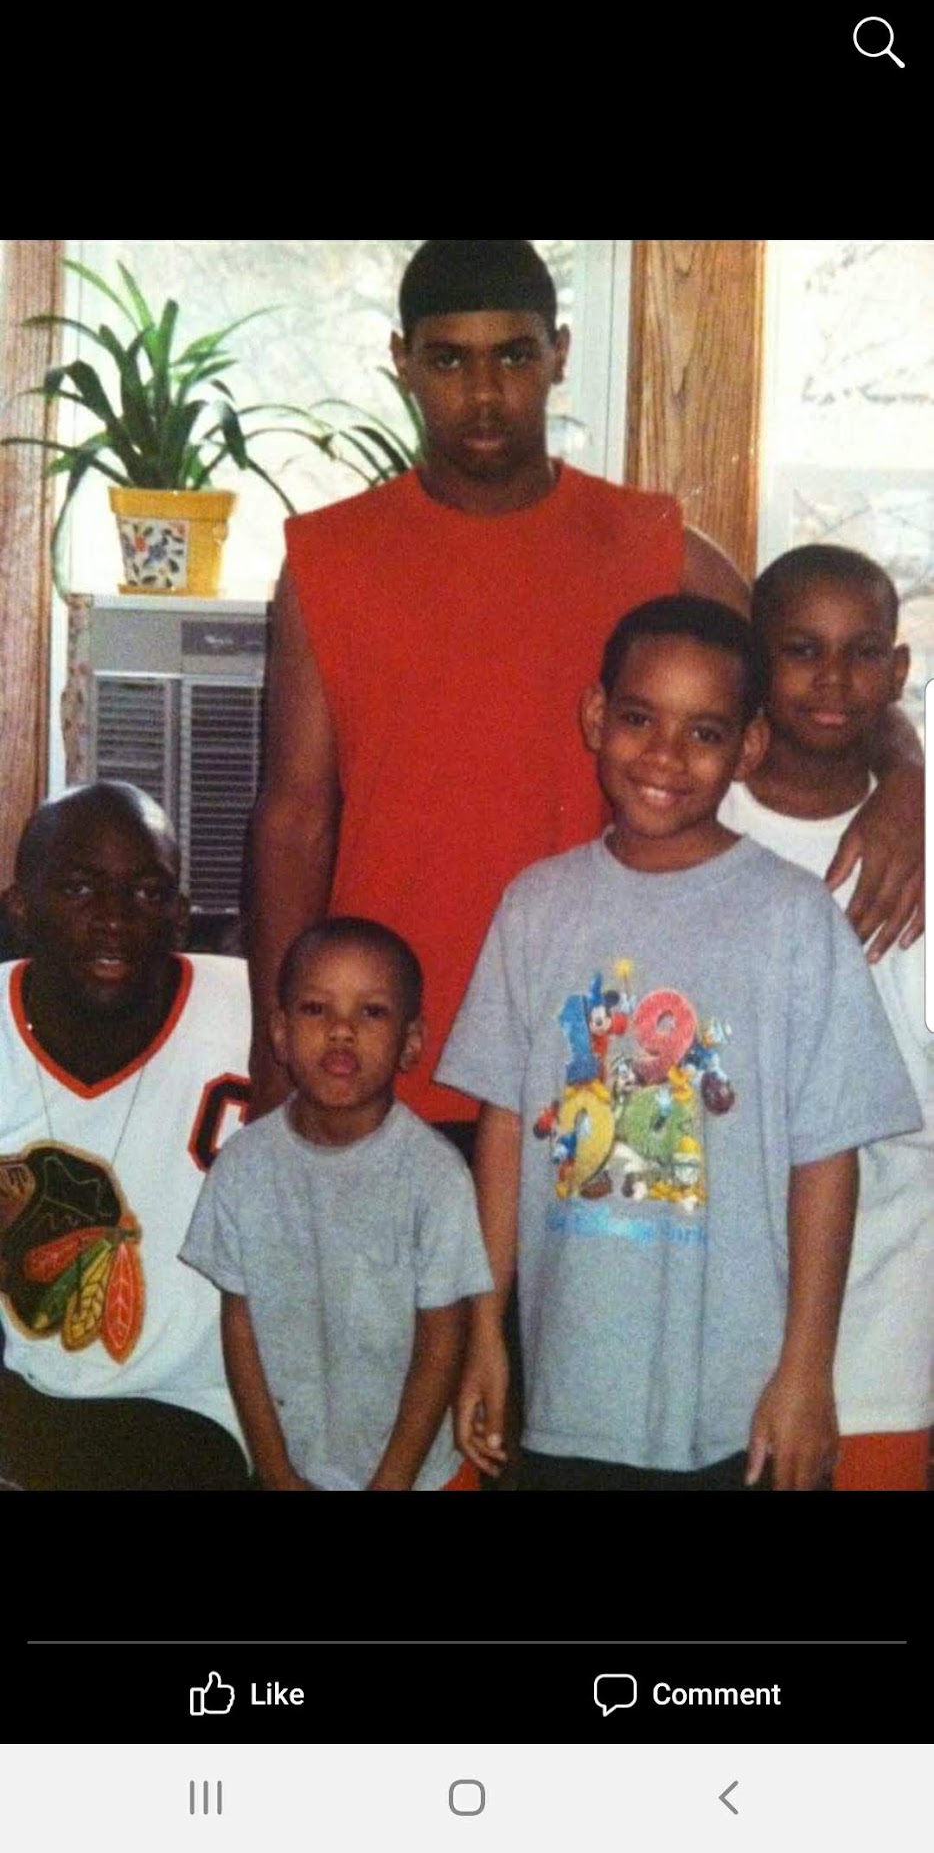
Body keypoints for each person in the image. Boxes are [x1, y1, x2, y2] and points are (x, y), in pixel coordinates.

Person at [246, 239, 923, 1139]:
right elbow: (294, 818)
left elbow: (815, 689)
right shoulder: (327, 562)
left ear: (558, 354)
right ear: (402, 362)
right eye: (448, 360)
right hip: (382, 1054)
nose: (484, 393)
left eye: (513, 356)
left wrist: (908, 778)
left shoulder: (653, 546)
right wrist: (275, 1054)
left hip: (598, 1060)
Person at [436, 595, 922, 1491]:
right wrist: (485, 1334)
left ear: (749, 747)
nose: (664, 756)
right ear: (595, 717)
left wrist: (807, 1371)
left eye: (704, 733)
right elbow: (502, 1132)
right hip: (568, 1388)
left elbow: (827, 1160)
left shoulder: (792, 917)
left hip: (743, 1410)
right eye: (638, 719)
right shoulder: (536, 907)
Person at [720, 545, 932, 1490]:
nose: (834, 680)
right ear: (757, 662)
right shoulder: (695, 824)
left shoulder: (918, 838)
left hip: (886, 1288)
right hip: (716, 1284)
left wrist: (911, 784)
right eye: (802, 650)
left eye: (863, 652)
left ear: (899, 668)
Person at [181, 917, 493, 1491]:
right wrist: (277, 1472)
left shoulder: (434, 1177)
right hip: (294, 1464)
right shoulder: (244, 1167)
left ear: (411, 1041)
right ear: (280, 1033)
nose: (342, 1031)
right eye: (315, 1009)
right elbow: (240, 1326)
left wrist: (391, 1483)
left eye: (371, 1012)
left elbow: (442, 1341)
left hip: (415, 1474)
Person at [0, 782, 252, 1491]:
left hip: (199, 1404)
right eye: (78, 889)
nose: (113, 919)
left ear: (179, 917)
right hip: (26, 1394)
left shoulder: (251, 1008)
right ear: (22, 909)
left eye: (146, 893)